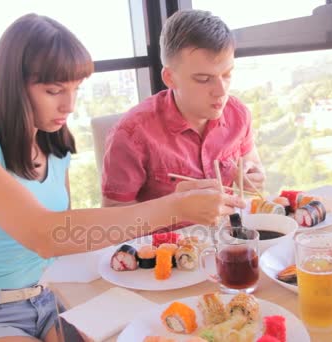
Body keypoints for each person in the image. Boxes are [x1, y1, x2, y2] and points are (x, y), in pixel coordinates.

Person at [0, 13, 244, 342]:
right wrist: (174, 208)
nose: (69, 104)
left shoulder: (53, 144)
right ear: (13, 84)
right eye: (54, 90)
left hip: (50, 299)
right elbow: (45, 235)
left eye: (75, 89)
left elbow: (70, 238)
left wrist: (174, 201)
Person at [101, 10, 265, 208]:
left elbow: (253, 172)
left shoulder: (238, 115)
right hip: (166, 238)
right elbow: (114, 217)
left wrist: (252, 179)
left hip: (229, 234)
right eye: (203, 79)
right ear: (170, 78)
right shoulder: (132, 133)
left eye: (227, 74)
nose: (221, 91)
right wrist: (174, 208)